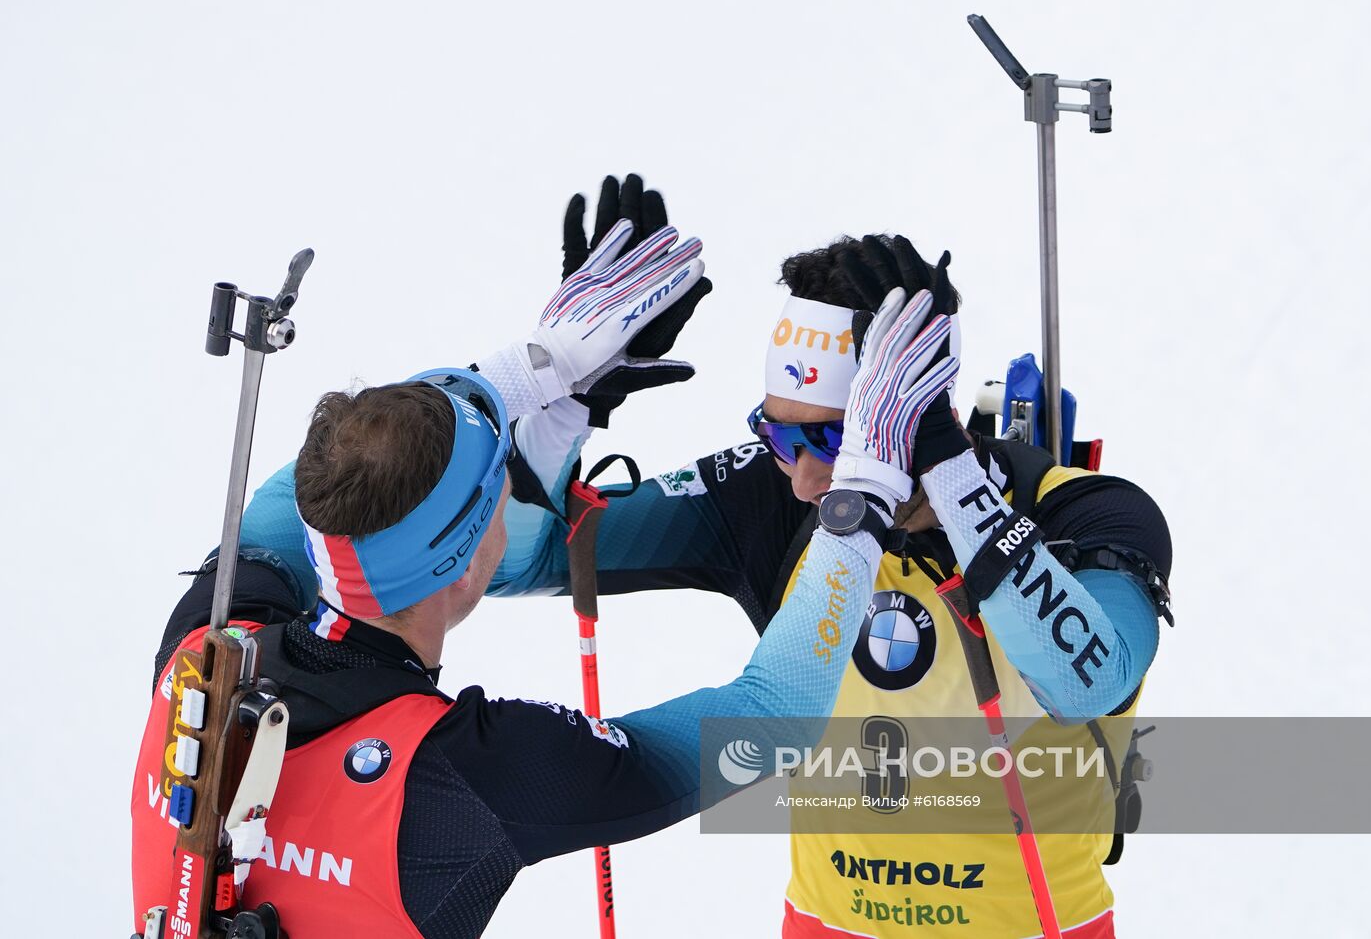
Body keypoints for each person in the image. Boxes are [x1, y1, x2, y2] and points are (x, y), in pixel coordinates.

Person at [129, 207, 962, 939]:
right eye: (501, 483)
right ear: (464, 563)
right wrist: (862, 487)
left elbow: (314, 487)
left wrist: (520, 377)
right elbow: (773, 718)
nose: (519, 495)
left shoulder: (204, 653)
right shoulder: (475, 770)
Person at [486, 177, 1174, 938]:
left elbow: (1091, 681)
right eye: (780, 438)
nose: (809, 479)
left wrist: (952, 476)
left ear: (920, 409)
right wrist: (556, 405)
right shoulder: (769, 495)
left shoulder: (1079, 508)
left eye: (835, 443)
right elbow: (520, 557)